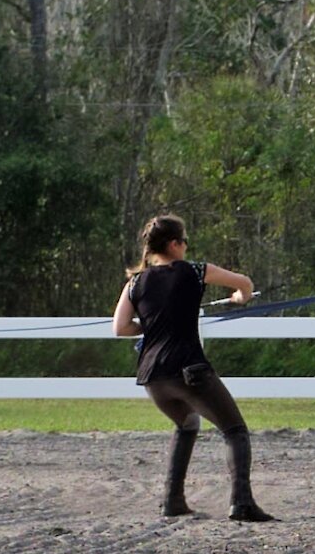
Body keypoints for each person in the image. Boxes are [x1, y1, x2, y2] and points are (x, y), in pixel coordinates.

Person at [112, 214, 275, 522]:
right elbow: (243, 284)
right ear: (174, 244)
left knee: (187, 425)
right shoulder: (194, 271)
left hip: (152, 377)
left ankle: (173, 501)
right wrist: (241, 298)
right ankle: (241, 503)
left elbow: (120, 328)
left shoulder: (135, 283)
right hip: (188, 370)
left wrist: (149, 327)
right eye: (184, 242)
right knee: (235, 430)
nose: (186, 247)